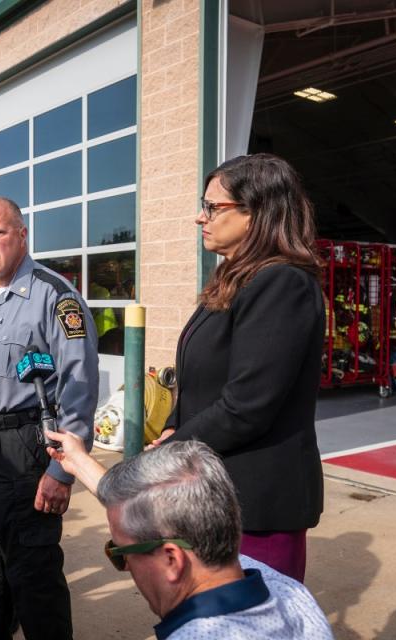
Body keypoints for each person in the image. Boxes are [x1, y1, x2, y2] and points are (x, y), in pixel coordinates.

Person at [151, 154, 325, 582]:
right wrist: (175, 425)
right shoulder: (236, 278)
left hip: (257, 501)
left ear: (257, 212)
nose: (200, 217)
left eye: (213, 207)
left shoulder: (281, 283)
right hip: (217, 491)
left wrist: (173, 449)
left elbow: (248, 403)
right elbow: (197, 380)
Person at [0, 196, 99, 640]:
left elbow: (78, 389)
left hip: (23, 445)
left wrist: (61, 471)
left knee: (32, 567)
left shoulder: (55, 296)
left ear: (21, 234)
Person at [44, 431, 333, 639]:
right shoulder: (286, 590)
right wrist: (79, 461)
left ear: (172, 559)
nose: (127, 568)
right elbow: (140, 510)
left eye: (120, 555)